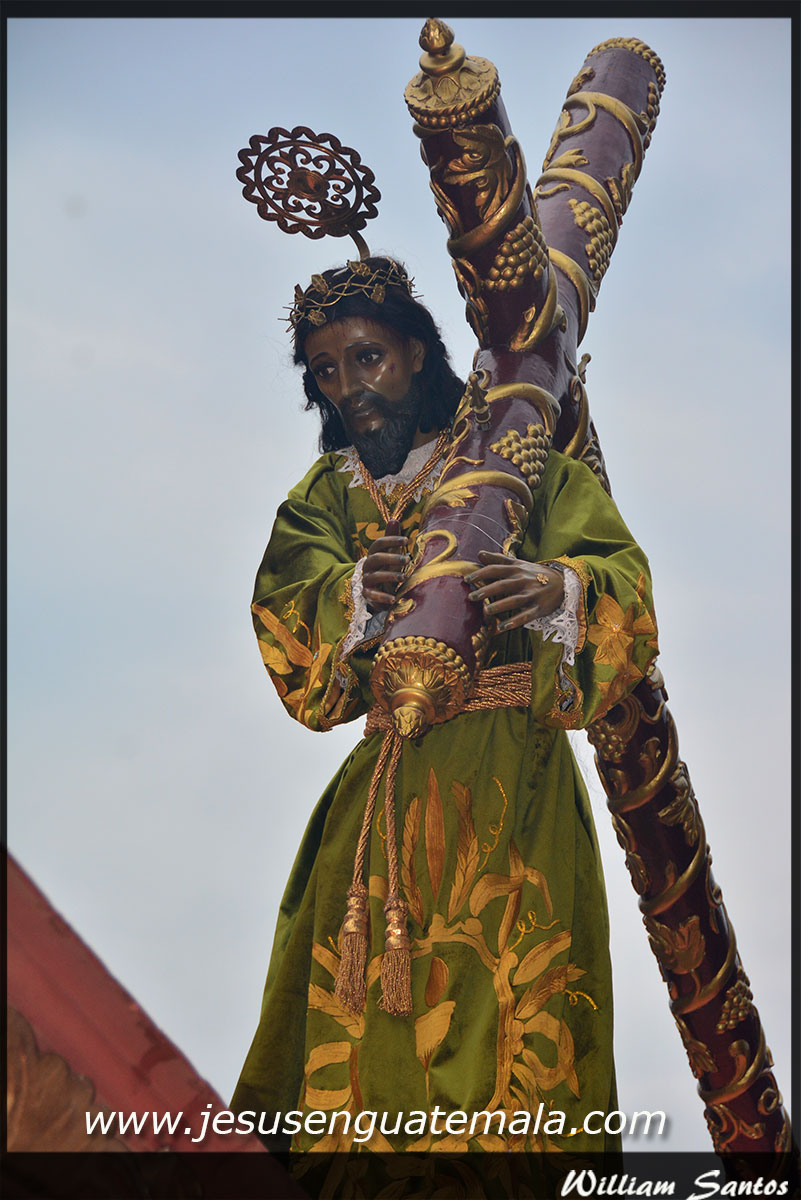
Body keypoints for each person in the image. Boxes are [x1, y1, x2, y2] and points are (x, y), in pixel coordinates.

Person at [231, 256, 659, 1163]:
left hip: (516, 796)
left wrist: (554, 588)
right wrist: (352, 593)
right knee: (359, 1059)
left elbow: (623, 583)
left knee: (508, 1048)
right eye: (327, 371)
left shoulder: (522, 470)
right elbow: (287, 628)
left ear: (418, 353)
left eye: (368, 357)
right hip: (380, 808)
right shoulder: (324, 498)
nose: (350, 387)